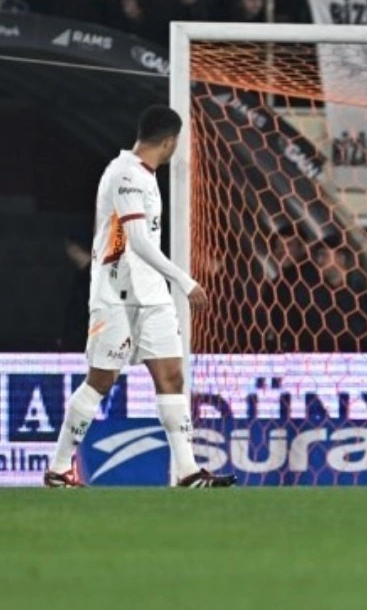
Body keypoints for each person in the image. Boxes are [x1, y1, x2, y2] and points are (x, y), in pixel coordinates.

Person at [44, 107, 231, 488]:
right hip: (115, 296)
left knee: (172, 375)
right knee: (101, 380)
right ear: (170, 141)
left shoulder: (145, 175)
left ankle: (187, 471)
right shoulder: (125, 174)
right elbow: (138, 241)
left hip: (152, 296)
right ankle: (59, 467)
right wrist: (185, 281)